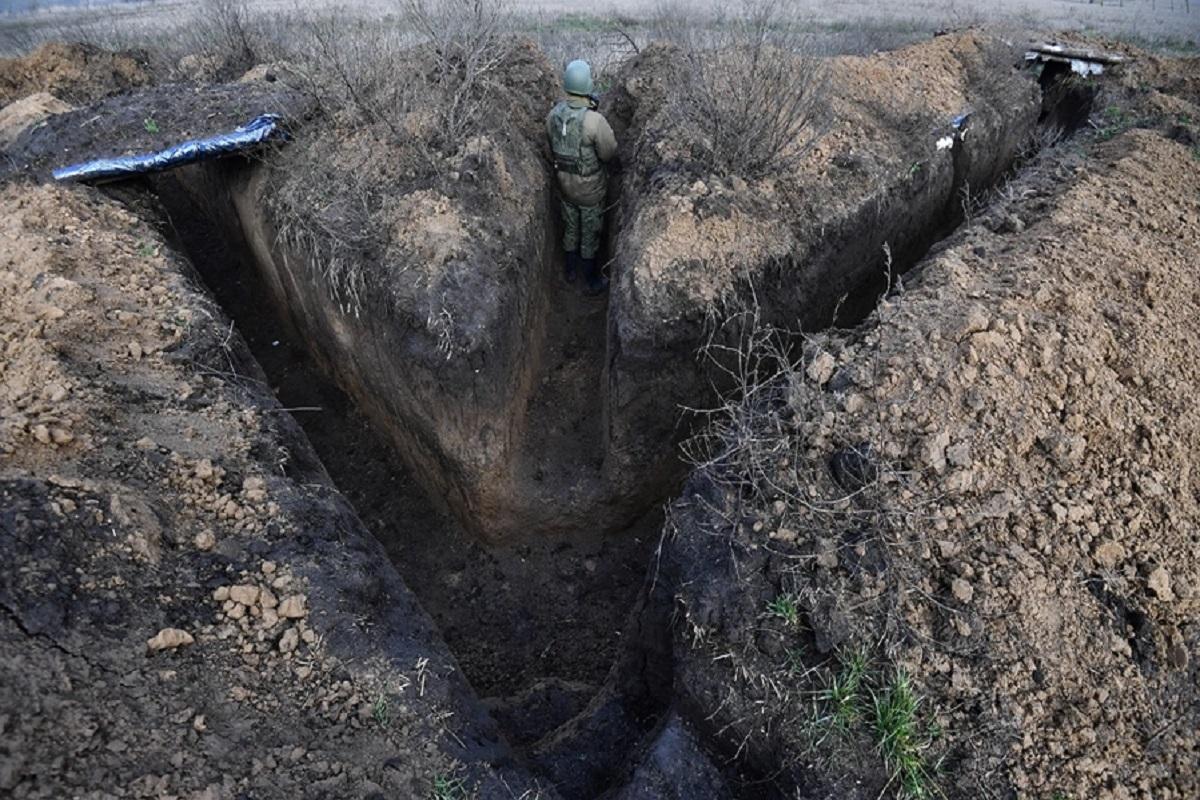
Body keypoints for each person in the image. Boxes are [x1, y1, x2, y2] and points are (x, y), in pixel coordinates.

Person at [546, 59, 617, 295]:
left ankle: (569, 271)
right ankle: (590, 281)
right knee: (590, 233)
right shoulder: (594, 121)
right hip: (590, 191)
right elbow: (608, 153)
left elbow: (550, 147)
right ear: (588, 84)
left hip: (565, 186)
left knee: (570, 229)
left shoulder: (553, 116)